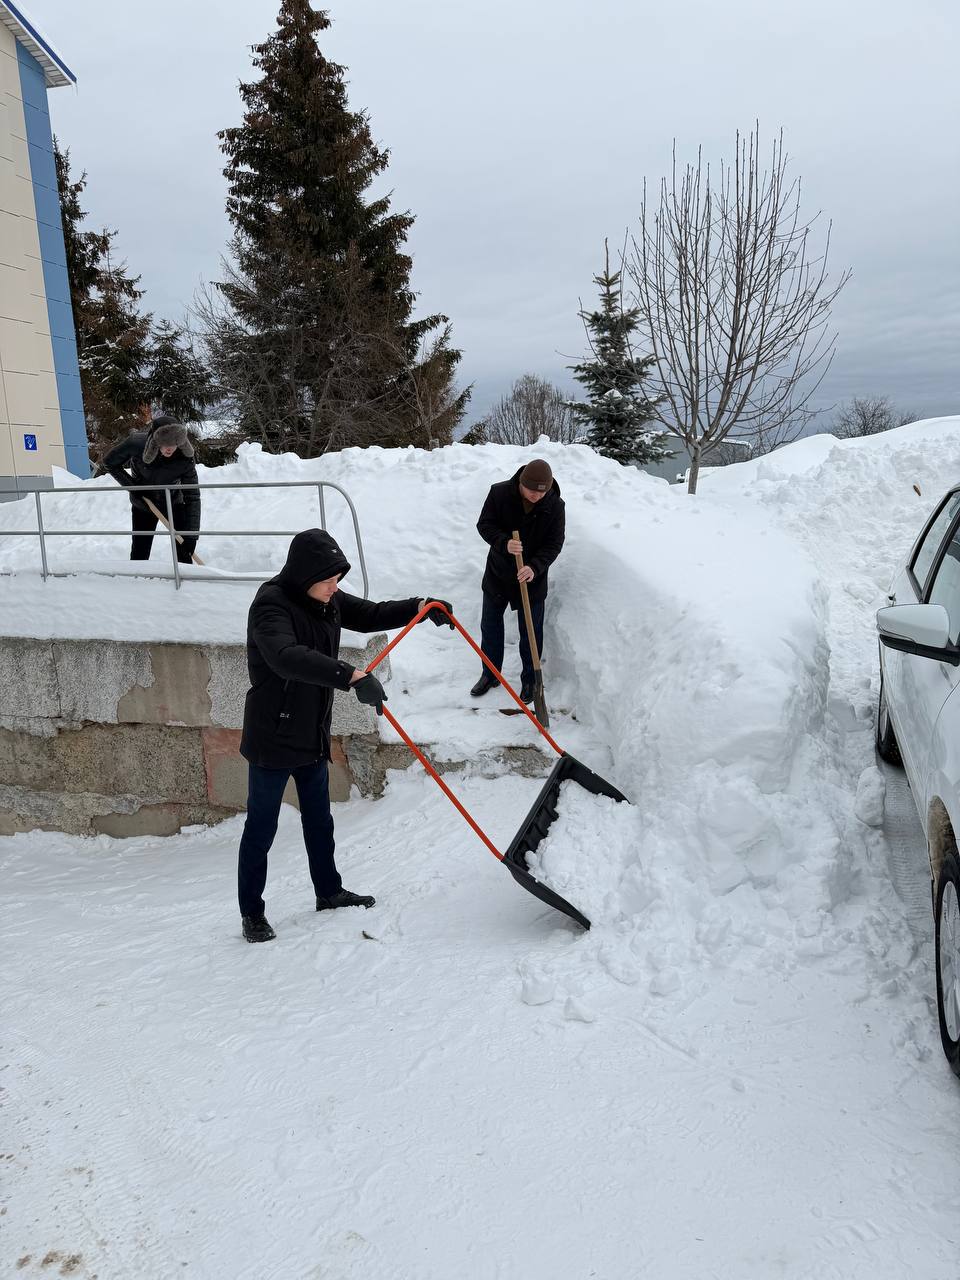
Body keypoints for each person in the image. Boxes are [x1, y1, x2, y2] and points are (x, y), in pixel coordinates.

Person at [237, 527, 453, 943]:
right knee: (261, 829)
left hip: (312, 731)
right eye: (328, 580)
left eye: (338, 580)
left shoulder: (327, 599)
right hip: (273, 736)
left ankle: (329, 891)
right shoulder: (271, 606)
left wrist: (420, 607)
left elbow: (371, 614)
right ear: (304, 576)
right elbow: (285, 658)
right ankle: (252, 913)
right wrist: (351, 676)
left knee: (320, 821)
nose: (335, 588)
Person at [471, 459, 565, 703]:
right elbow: (484, 525)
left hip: (532, 578)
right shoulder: (499, 493)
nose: (536, 496)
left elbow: (554, 544)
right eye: (532, 491)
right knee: (490, 626)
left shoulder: (555, 505)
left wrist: (535, 567)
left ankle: (530, 681)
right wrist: (503, 543)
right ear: (521, 484)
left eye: (541, 492)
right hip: (499, 574)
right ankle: (490, 674)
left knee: (531, 633)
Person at [104, 415, 200, 563]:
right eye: (165, 442)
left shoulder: (185, 457)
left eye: (174, 443)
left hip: (173, 501)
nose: (170, 448)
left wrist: (192, 536)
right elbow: (110, 462)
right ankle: (138, 580)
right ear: (155, 441)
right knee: (140, 550)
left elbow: (192, 495)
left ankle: (187, 582)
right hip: (144, 502)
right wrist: (134, 488)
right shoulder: (136, 444)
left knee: (184, 548)